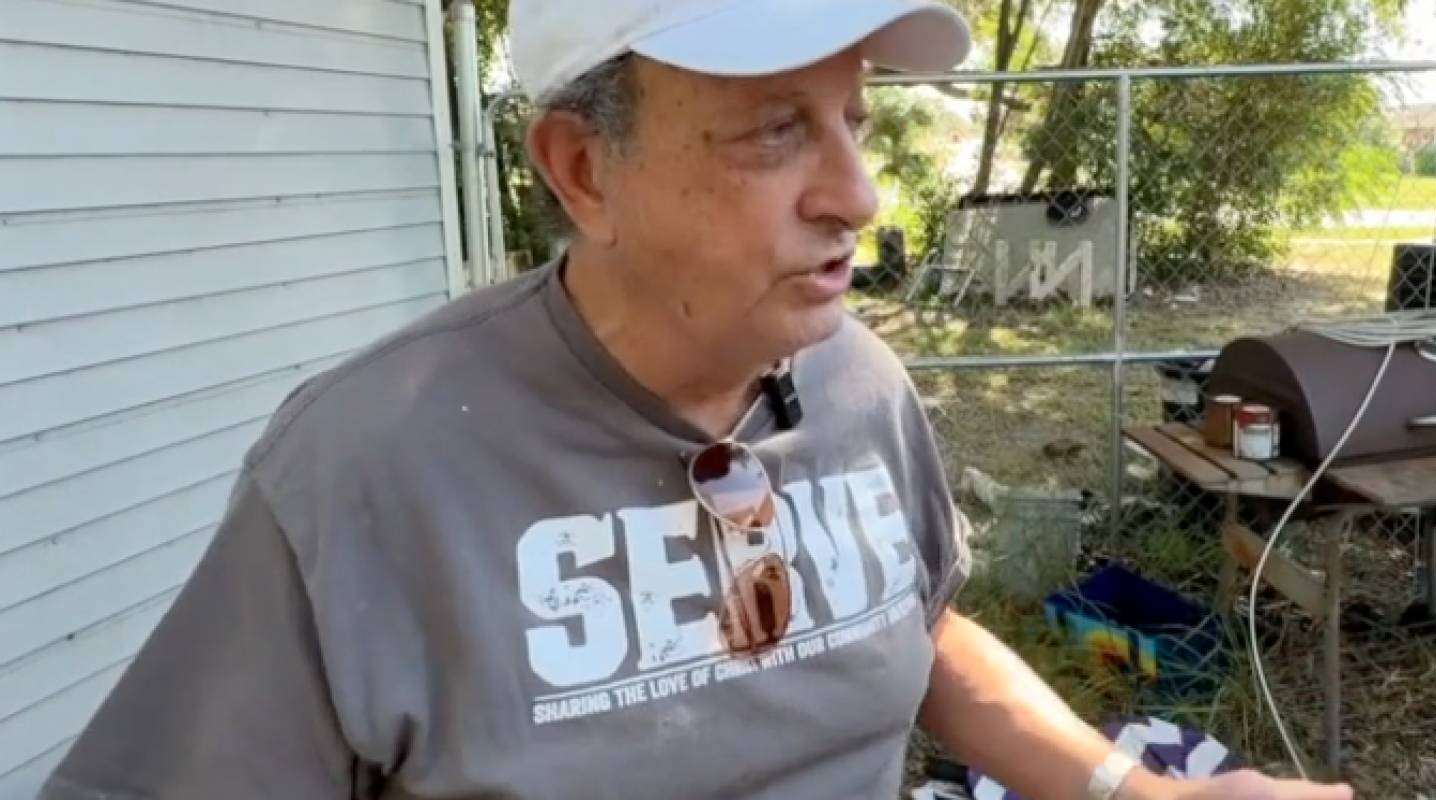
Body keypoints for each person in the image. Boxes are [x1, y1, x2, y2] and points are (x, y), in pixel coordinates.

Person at [39, 1, 1353, 798]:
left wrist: (1125, 788)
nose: (858, 194)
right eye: (775, 130)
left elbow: (913, 629)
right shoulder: (363, 471)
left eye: (851, 119)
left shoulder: (857, 384)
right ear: (581, 168)